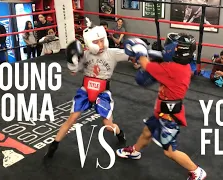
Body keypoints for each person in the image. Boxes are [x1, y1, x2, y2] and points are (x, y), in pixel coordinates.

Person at [116, 33, 207, 180]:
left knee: (169, 151)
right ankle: (134, 151)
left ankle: (197, 171)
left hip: (170, 117)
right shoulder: (184, 65)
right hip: (163, 112)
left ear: (173, 50)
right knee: (147, 131)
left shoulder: (171, 69)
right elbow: (161, 60)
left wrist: (140, 50)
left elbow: (145, 64)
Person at [44, 18, 128, 158]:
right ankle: (54, 145)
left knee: (108, 126)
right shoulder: (86, 54)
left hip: (103, 92)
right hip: (85, 90)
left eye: (102, 40)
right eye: (96, 42)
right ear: (89, 43)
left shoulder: (112, 53)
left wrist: (137, 51)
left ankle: (120, 134)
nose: (100, 44)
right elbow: (73, 71)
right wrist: (71, 60)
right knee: (72, 118)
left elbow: (131, 54)